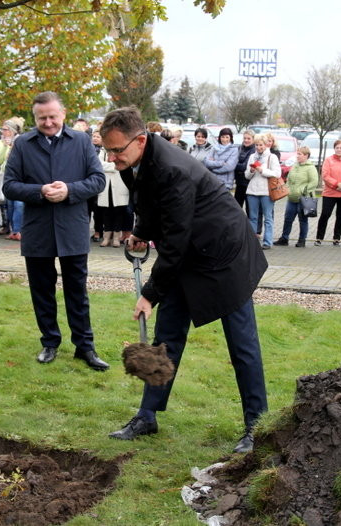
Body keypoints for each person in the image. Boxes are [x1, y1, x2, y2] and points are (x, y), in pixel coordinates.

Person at [100, 106, 268, 453]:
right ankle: (147, 415)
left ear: (141, 141)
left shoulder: (173, 170)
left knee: (242, 345)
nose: (112, 157)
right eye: (108, 150)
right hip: (189, 254)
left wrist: (149, 293)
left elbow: (175, 242)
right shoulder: (134, 163)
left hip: (224, 256)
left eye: (117, 150)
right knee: (167, 336)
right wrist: (140, 233)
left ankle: (256, 426)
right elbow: (147, 205)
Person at [2, 91, 108, 371]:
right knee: (42, 291)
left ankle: (85, 347)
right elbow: (9, 185)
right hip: (38, 230)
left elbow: (98, 180)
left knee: (77, 291)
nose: (48, 122)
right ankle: (50, 342)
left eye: (52, 116)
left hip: (72, 228)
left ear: (63, 114)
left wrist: (70, 191)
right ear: (34, 117)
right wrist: (40, 191)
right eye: (41, 118)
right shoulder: (24, 144)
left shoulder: (82, 141)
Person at [274, 146, 318, 247]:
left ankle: (302, 240)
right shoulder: (294, 166)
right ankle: (284, 238)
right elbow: (289, 179)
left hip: (303, 198)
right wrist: (287, 188)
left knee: (302, 220)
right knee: (288, 219)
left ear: (306, 156)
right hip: (291, 198)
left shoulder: (311, 168)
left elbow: (314, 182)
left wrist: (303, 190)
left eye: (300, 154)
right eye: (297, 154)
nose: (297, 156)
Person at [245, 133, 281, 250]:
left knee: (268, 217)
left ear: (266, 145)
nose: (258, 147)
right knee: (253, 217)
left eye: (261, 145)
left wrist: (262, 170)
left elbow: (277, 174)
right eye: (256, 145)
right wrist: (251, 171)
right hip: (252, 191)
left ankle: (267, 242)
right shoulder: (252, 156)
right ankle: (253, 242)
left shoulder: (272, 157)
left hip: (266, 192)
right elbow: (247, 175)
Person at [95, 129, 129, 247]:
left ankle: (116, 237)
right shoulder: (102, 151)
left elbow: (124, 164)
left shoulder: (122, 148)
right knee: (106, 212)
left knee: (119, 212)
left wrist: (110, 166)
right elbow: (99, 165)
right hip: (106, 186)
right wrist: (114, 166)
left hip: (120, 185)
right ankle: (106, 237)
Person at [315, 139, 341, 246]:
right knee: (325, 214)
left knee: (340, 216)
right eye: (337, 148)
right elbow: (325, 175)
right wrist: (337, 184)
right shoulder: (328, 160)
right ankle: (319, 237)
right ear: (334, 148)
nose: (339, 150)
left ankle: (337, 238)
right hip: (330, 192)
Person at [0, 119, 23, 240]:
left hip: (20, 176)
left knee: (19, 204)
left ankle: (18, 231)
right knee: (9, 204)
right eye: (3, 130)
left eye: (6, 129)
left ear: (12, 131)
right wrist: (6, 147)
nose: (4, 132)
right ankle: (12, 229)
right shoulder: (1, 143)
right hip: (6, 175)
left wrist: (12, 147)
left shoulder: (21, 141)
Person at [234, 130, 256, 209]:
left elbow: (245, 166)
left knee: (249, 209)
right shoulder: (240, 148)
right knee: (237, 208)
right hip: (239, 182)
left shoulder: (254, 150)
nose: (246, 140)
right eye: (245, 138)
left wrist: (234, 165)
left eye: (248, 138)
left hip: (248, 183)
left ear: (253, 139)